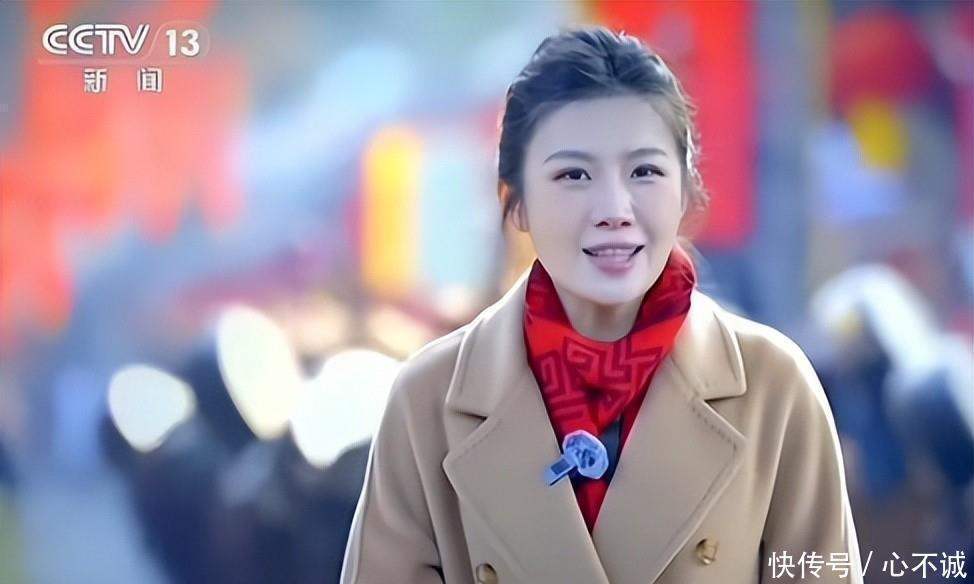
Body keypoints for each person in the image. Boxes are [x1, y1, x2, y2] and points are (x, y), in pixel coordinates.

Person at [340, 26, 863, 584]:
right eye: (574, 175)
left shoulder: (773, 388)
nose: (614, 209)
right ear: (515, 201)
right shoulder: (430, 399)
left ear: (685, 190)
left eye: (645, 172)